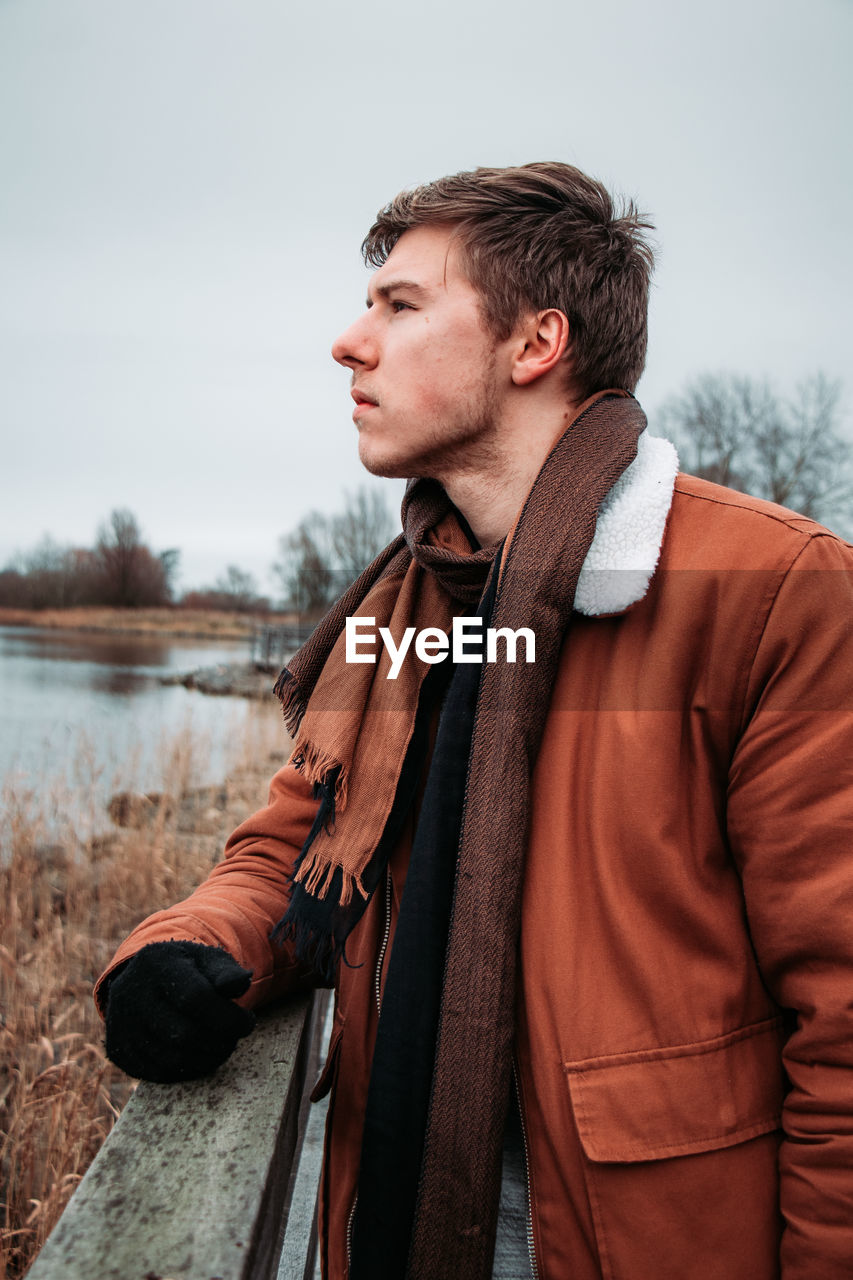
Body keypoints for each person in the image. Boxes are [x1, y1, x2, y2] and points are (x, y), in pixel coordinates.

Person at [97, 163, 853, 1279]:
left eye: (399, 306)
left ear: (533, 344)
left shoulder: (769, 588)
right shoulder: (411, 601)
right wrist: (179, 953)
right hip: (392, 1222)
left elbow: (841, 1013)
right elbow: (293, 853)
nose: (350, 342)